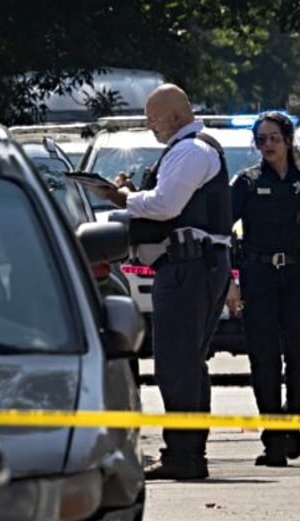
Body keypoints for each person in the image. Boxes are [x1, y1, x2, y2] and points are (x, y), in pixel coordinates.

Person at [90, 83, 232, 480]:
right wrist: (135, 195)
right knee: (186, 364)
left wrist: (122, 198)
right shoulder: (189, 150)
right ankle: (187, 452)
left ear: (175, 115)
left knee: (176, 365)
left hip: (188, 267)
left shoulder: (190, 150)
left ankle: (184, 456)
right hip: (190, 267)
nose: (150, 125)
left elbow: (167, 206)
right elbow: (170, 205)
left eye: (153, 117)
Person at [230, 111, 300, 467]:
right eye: (261, 140)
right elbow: (222, 229)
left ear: (288, 140)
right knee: (263, 358)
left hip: (299, 276)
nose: (268, 145)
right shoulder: (245, 182)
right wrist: (229, 278)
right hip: (258, 275)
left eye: (274, 138)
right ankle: (273, 438)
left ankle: (294, 419)